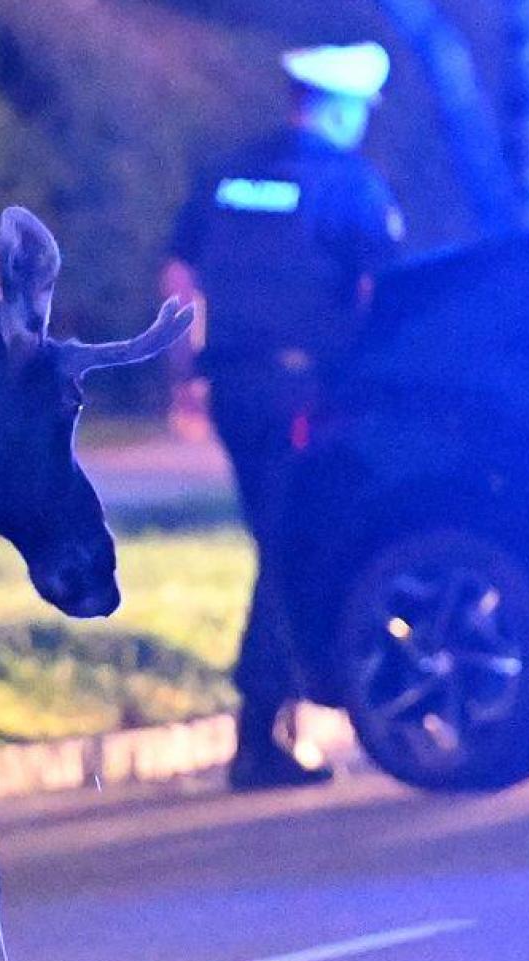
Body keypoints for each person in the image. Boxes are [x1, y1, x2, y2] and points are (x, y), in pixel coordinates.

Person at [163, 41, 406, 791]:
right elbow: (382, 294)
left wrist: (182, 378)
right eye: (358, 112)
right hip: (310, 395)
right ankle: (260, 730)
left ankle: (270, 724)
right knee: (293, 549)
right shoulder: (350, 184)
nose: (361, 125)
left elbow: (178, 276)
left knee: (277, 540)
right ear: (335, 108)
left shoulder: (231, 175)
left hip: (235, 390)